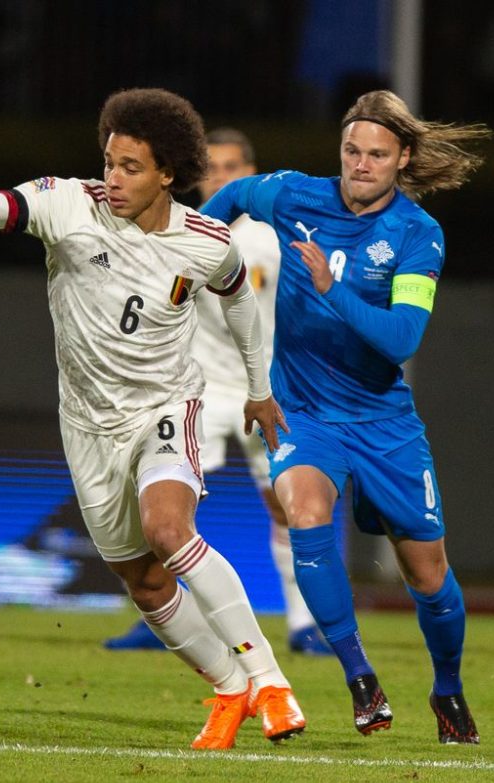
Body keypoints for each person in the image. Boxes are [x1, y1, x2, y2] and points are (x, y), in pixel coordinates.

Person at [0, 87, 305, 750]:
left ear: (168, 175)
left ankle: (268, 679)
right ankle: (229, 688)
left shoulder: (206, 242)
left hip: (164, 406)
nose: (111, 179)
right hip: (88, 425)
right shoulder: (66, 203)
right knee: (142, 580)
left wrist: (259, 389)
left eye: (129, 167)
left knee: (167, 527)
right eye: (108, 161)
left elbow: (240, 301)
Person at [202, 90, 490, 744]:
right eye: (352, 151)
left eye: (377, 155)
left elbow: (402, 339)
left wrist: (332, 294)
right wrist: (192, 246)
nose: (361, 165)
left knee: (429, 574)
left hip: (383, 420)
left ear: (403, 158)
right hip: (304, 410)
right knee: (304, 512)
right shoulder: (297, 195)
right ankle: (361, 679)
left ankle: (447, 686)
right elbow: (237, 196)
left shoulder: (417, 234)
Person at [105, 127, 332, 656]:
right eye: (212, 168)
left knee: (287, 504)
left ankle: (304, 623)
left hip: (268, 389)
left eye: (232, 168)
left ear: (251, 173)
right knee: (164, 506)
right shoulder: (178, 233)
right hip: (197, 390)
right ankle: (158, 615)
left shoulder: (278, 238)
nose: (221, 178)